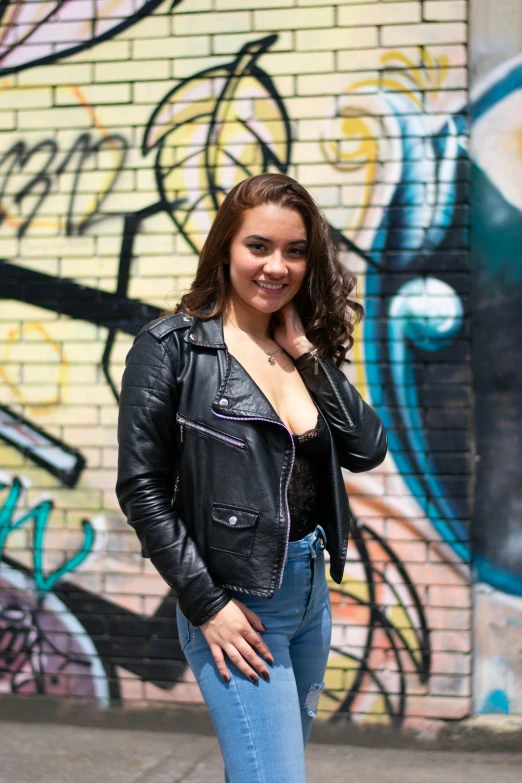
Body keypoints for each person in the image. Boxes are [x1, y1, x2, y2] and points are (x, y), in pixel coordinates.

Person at [116, 172, 387, 782]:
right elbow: (141, 487)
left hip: (311, 591)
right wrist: (207, 603)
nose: (277, 266)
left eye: (295, 251)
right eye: (258, 246)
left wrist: (309, 354)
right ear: (225, 249)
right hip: (239, 601)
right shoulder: (171, 350)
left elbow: (367, 449)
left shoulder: (296, 350)